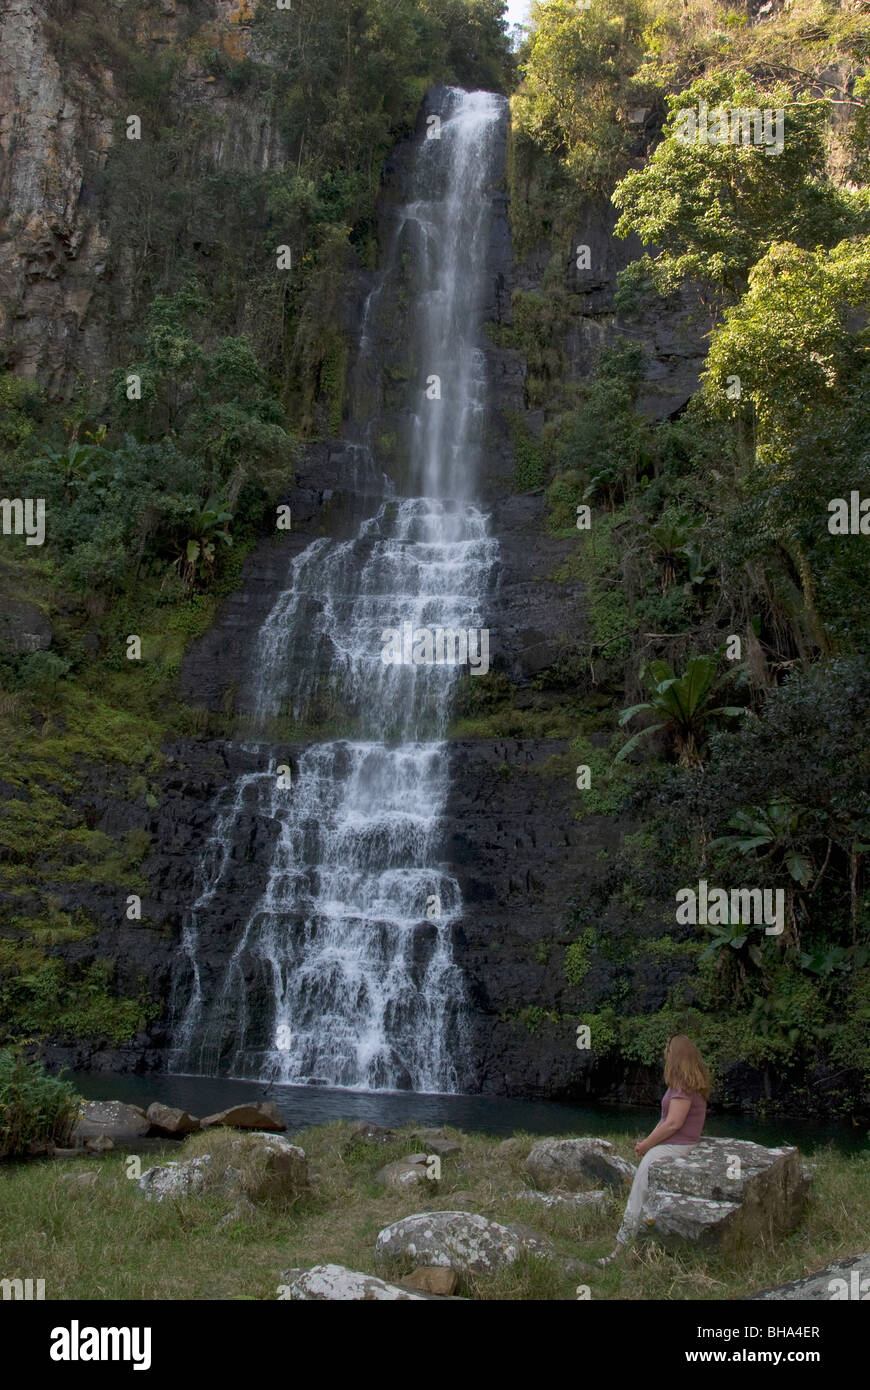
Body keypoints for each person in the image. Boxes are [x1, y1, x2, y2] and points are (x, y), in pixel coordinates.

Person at [597, 1034, 711, 1266]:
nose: (664, 1054)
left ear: (675, 1055)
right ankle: (630, 1245)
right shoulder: (689, 1082)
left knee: (638, 1192)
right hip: (679, 1143)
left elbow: (673, 1123)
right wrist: (648, 1141)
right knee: (641, 1188)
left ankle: (620, 1249)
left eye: (667, 1050)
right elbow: (666, 1121)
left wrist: (649, 1145)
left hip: (677, 1146)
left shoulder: (682, 1085)